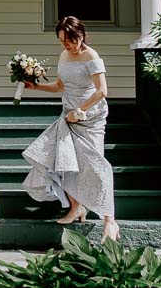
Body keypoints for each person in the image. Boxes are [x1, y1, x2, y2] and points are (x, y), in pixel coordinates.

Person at [21, 15, 119, 242]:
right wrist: (35, 87)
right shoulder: (64, 55)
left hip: (90, 118)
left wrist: (81, 110)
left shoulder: (92, 56)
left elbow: (102, 90)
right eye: (62, 40)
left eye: (70, 40)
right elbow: (60, 86)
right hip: (68, 116)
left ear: (81, 35)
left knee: (96, 165)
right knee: (65, 162)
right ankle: (76, 208)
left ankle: (109, 220)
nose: (66, 45)